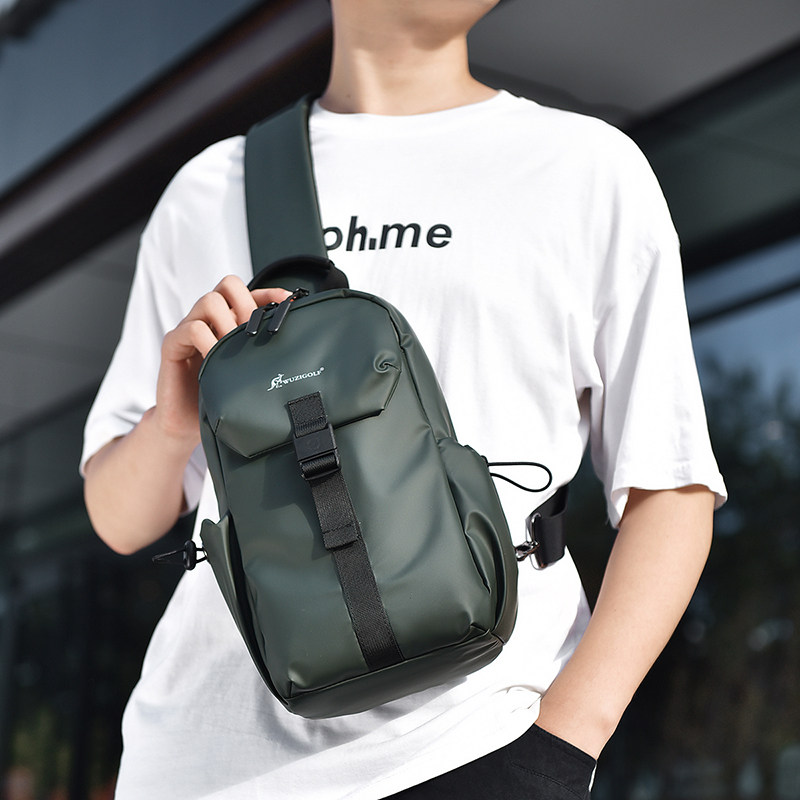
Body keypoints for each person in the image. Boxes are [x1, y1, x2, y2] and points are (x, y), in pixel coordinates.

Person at [81, 1, 727, 797]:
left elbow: (671, 488)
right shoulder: (212, 188)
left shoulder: (585, 168)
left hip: (476, 741)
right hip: (204, 758)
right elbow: (118, 518)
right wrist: (174, 422)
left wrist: (559, 749)